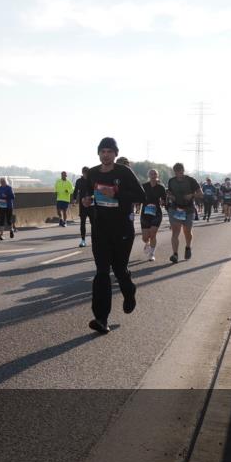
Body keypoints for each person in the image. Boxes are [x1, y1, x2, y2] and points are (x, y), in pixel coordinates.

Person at [80, 137, 146, 334]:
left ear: (115, 154)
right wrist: (86, 201)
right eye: (103, 151)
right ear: (98, 153)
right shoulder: (91, 173)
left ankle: (129, 290)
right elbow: (86, 193)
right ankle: (101, 318)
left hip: (122, 230)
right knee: (101, 272)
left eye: (109, 151)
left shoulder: (123, 172)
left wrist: (115, 194)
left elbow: (141, 196)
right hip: (100, 229)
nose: (106, 154)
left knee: (119, 270)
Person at [166, 162, 201, 263]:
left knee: (187, 232)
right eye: (177, 173)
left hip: (188, 209)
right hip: (175, 209)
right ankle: (175, 254)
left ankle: (188, 247)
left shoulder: (191, 180)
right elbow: (169, 192)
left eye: (181, 172)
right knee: (175, 232)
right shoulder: (171, 181)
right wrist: (170, 195)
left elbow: (200, 194)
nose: (179, 175)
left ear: (183, 171)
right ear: (175, 172)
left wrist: (192, 195)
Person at [140, 169, 166, 262]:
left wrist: (163, 202)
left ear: (157, 175)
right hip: (145, 213)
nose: (153, 175)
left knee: (153, 234)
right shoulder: (144, 186)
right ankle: (147, 243)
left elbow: (164, 200)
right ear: (148, 175)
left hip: (156, 212)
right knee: (145, 237)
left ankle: (152, 253)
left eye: (155, 173)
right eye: (151, 173)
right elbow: (139, 197)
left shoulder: (161, 187)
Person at [73, 166, 92, 247]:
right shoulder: (79, 181)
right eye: (84, 172)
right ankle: (83, 240)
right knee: (82, 223)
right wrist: (74, 199)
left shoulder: (92, 180)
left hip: (92, 204)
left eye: (87, 172)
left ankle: (94, 238)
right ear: (82, 173)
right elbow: (76, 190)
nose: (85, 174)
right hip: (83, 205)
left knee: (93, 223)